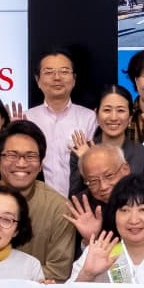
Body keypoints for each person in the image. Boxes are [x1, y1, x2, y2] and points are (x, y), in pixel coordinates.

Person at [0, 120, 78, 281]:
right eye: (12, 155)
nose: (21, 163)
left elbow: (58, 272)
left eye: (30, 156)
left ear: (41, 164)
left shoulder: (59, 208)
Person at [26, 49, 97, 195]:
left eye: (64, 71)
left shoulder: (89, 118)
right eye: (49, 72)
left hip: (79, 200)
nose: (57, 77)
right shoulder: (27, 118)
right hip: (36, 200)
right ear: (38, 80)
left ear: (74, 79)